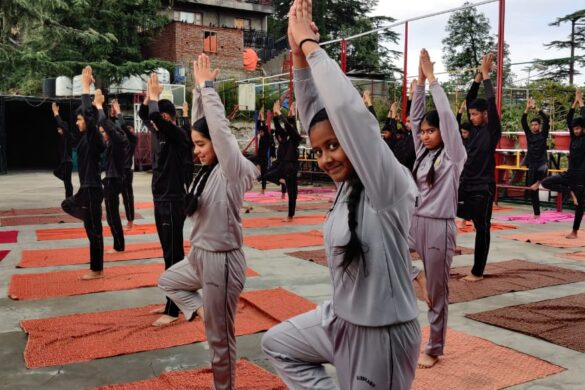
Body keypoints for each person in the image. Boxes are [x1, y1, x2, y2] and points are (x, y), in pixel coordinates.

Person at [261, 2, 421, 388]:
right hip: (341, 320)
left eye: (334, 146)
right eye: (318, 151)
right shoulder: (347, 187)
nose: (326, 158)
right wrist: (298, 60)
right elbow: (316, 115)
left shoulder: (386, 185)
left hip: (381, 333)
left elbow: (348, 114)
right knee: (277, 343)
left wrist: (313, 46)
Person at [158, 54, 259, 390]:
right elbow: (205, 126)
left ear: (218, 144)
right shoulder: (209, 170)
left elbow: (219, 132)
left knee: (219, 340)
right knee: (168, 280)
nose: (196, 151)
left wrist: (209, 88)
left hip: (222, 261)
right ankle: (204, 310)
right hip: (198, 256)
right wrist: (198, 92)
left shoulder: (233, 171)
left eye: (201, 145)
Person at [409, 49, 467, 369]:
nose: (425, 135)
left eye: (430, 132)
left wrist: (432, 81)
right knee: (383, 253)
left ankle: (434, 346)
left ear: (442, 133)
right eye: (423, 133)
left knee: (437, 291)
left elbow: (445, 117)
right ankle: (415, 277)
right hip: (415, 221)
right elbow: (415, 119)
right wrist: (417, 84)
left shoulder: (453, 156)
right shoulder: (423, 153)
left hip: (439, 226)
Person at [139, 73, 190, 326]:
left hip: (172, 202)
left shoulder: (178, 136)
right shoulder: (160, 135)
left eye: (158, 118)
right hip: (161, 201)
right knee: (167, 253)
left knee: (174, 255)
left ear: (167, 118)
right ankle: (173, 301)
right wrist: (149, 99)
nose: (152, 123)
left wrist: (156, 100)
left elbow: (154, 117)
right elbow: (145, 116)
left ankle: (173, 310)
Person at [456, 53, 502, 282]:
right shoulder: (472, 130)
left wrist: (486, 77)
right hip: (465, 183)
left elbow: (492, 103)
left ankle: (477, 272)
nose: (471, 117)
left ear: (485, 115)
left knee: (482, 228)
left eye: (475, 114)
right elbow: (469, 98)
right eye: (471, 114)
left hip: (483, 187)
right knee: (445, 206)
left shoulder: (492, 131)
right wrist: (476, 78)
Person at [61, 66, 105, 280]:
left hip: (93, 188)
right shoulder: (85, 139)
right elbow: (89, 117)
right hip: (86, 188)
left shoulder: (94, 138)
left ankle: (96, 269)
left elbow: (90, 117)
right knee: (70, 206)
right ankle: (91, 219)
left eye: (79, 120)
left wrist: (86, 89)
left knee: (94, 229)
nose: (78, 122)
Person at [541, 88, 585, 239]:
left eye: (578, 128)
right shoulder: (574, 137)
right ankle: (569, 192)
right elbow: (569, 120)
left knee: (579, 205)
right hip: (569, 174)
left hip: (581, 176)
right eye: (574, 129)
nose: (576, 131)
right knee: (546, 182)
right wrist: (574, 103)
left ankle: (574, 231)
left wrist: (581, 103)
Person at [97, 92, 127, 253]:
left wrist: (99, 107)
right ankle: (119, 244)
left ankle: (118, 245)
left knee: (111, 215)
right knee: (111, 214)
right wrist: (116, 114)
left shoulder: (116, 142)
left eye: (103, 132)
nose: (102, 134)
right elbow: (114, 126)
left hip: (112, 180)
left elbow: (106, 124)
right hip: (113, 179)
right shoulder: (118, 140)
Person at [269, 99, 302, 221]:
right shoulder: (285, 139)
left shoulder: (295, 139)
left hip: (291, 168)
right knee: (266, 175)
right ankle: (281, 180)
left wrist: (282, 114)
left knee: (292, 193)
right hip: (282, 166)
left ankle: (290, 216)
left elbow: (290, 127)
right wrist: (276, 115)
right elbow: (279, 128)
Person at [110, 99, 137, 229]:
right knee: (113, 197)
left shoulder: (133, 139)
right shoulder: (120, 139)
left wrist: (119, 112)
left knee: (127, 196)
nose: (129, 130)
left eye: (130, 128)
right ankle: (116, 221)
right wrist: (112, 115)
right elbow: (113, 128)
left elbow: (123, 128)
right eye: (128, 128)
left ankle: (130, 220)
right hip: (117, 171)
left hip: (127, 171)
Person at [522, 98, 550, 217]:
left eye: (535, 124)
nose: (533, 126)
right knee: (533, 190)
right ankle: (536, 213)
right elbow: (523, 121)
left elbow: (546, 118)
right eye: (532, 125)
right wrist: (527, 108)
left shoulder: (543, 134)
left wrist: (535, 108)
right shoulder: (529, 135)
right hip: (532, 163)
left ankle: (539, 182)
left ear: (539, 125)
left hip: (542, 161)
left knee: (542, 169)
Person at [51, 102, 74, 198]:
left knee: (67, 181)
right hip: (64, 161)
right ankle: (68, 197)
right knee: (66, 181)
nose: (58, 130)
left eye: (60, 128)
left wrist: (56, 113)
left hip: (67, 162)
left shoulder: (67, 136)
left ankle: (69, 197)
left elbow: (61, 124)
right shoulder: (63, 138)